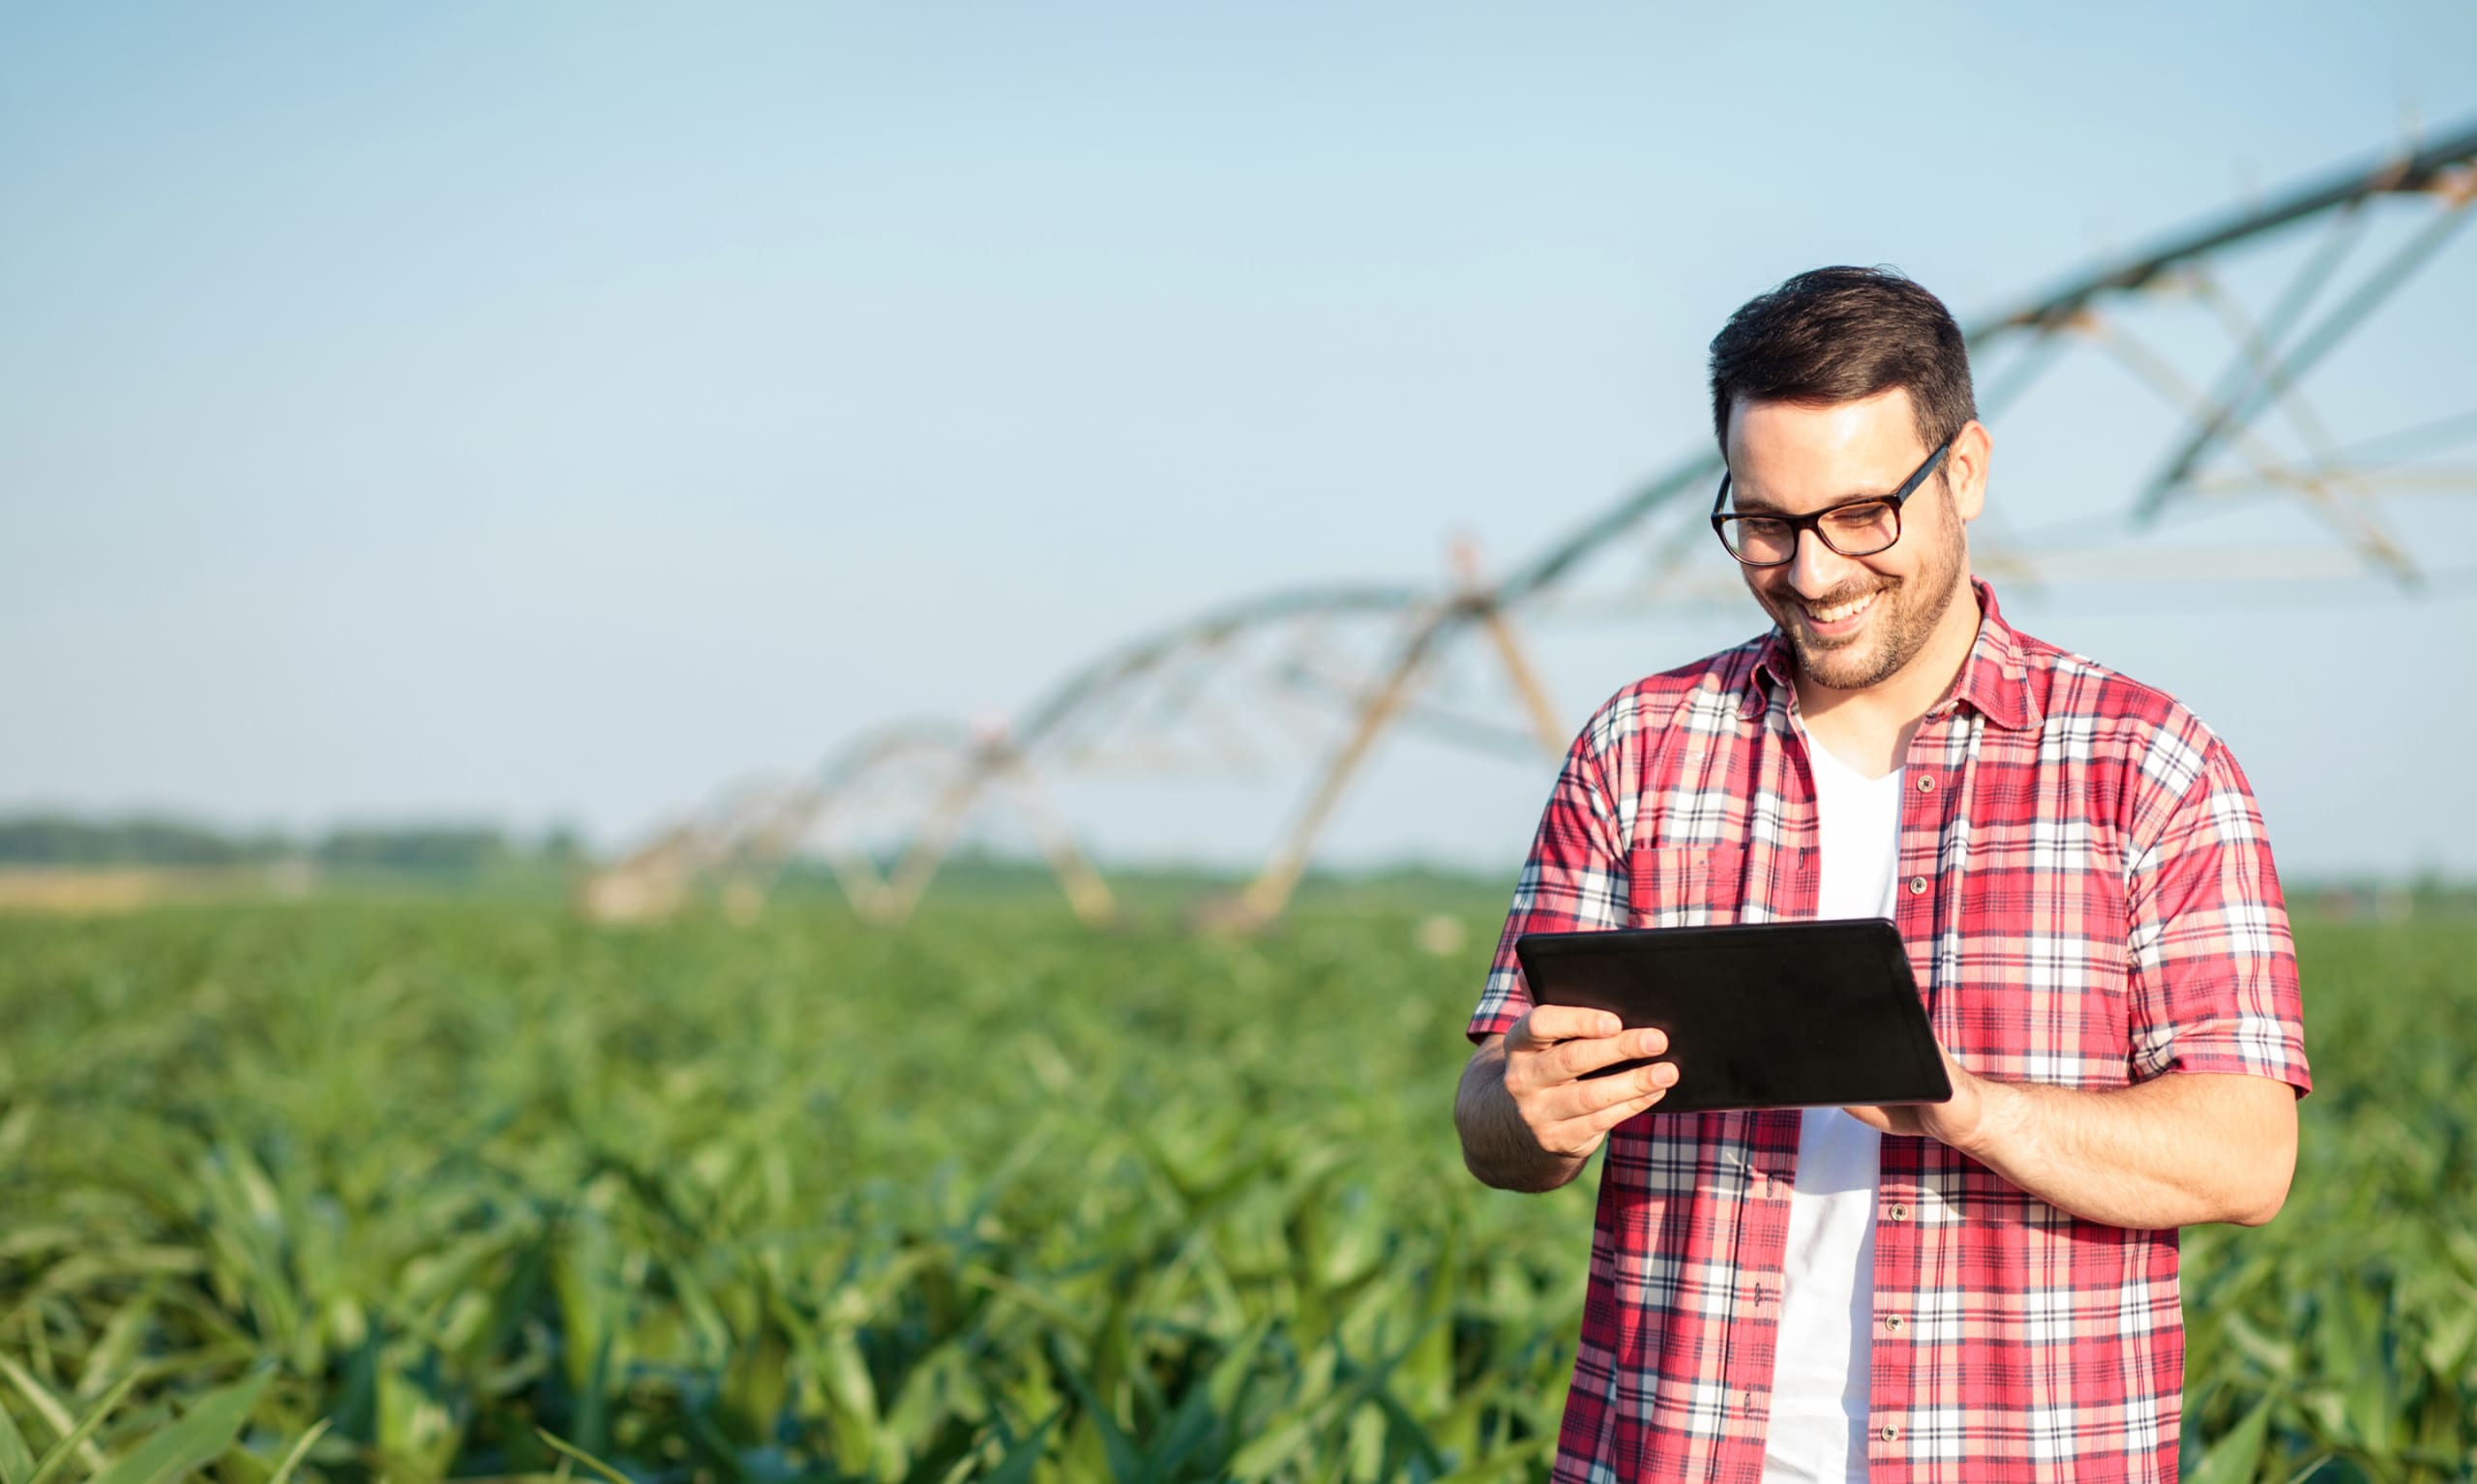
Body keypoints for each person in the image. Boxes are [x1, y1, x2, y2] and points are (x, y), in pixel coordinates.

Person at [1453, 265, 2311, 1483]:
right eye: (1763, 523)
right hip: (1679, 1449)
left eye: (1861, 515)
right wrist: (1525, 1113)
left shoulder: (2147, 766)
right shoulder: (1638, 749)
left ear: (1961, 473)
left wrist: (1960, 1104)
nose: (1811, 572)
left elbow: (2245, 1158)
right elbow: (1493, 1112)